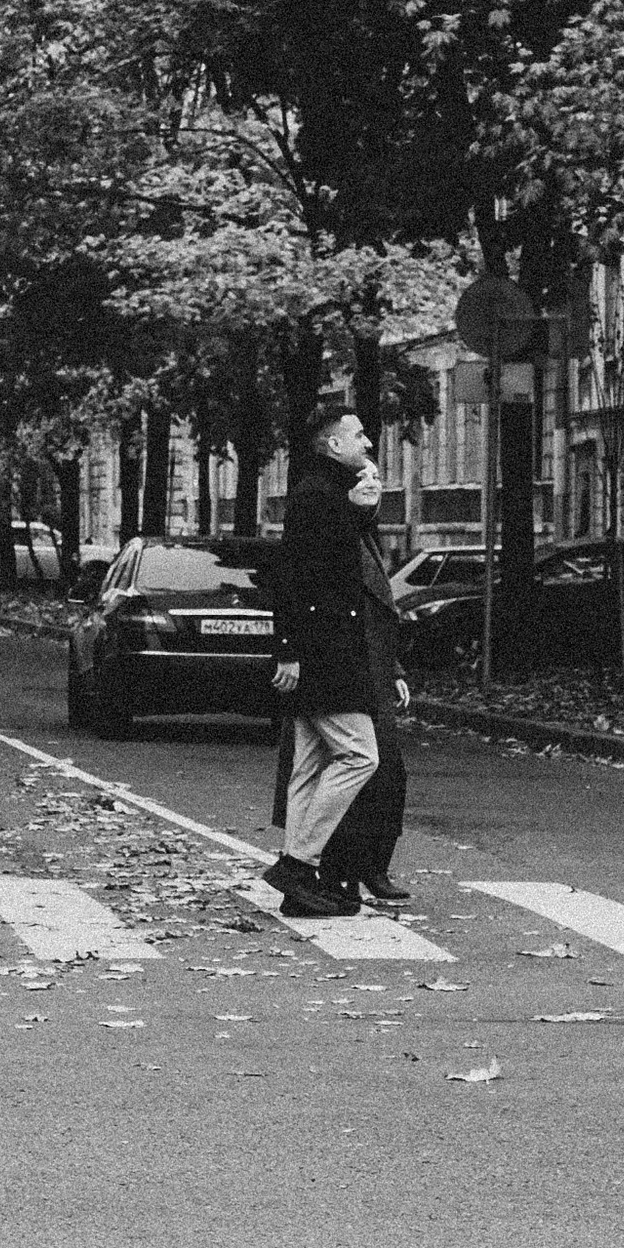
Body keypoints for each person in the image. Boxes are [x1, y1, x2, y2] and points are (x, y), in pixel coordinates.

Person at [267, 391, 383, 920]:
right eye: (358, 435)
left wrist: (363, 508)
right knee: (361, 755)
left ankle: (300, 888)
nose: (368, 442)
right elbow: (294, 576)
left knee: (310, 766)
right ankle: (298, 863)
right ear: (334, 444)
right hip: (327, 650)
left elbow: (336, 561)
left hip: (320, 646)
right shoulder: (318, 496)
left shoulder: (326, 492)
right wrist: (288, 648)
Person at [323, 455, 412, 904]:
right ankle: (346, 869)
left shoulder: (367, 535)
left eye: (378, 476)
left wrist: (393, 668)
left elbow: (380, 613)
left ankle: (373, 866)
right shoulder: (341, 535)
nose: (373, 483)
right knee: (361, 771)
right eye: (364, 477)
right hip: (350, 671)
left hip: (375, 671)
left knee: (389, 775)